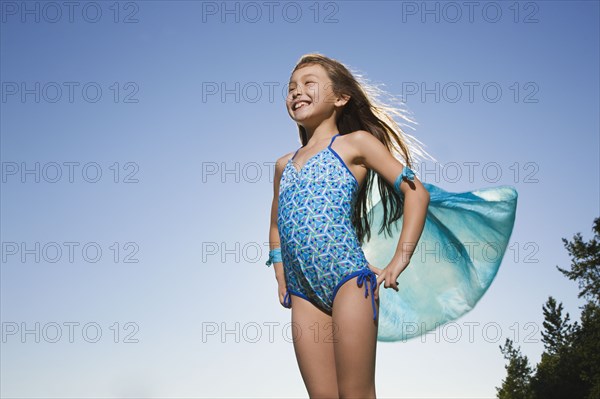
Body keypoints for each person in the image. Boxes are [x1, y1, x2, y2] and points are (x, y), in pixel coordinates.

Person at [266, 53, 518, 398]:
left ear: (341, 98)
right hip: (301, 291)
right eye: (291, 87)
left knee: (356, 393)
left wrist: (400, 258)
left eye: (309, 83)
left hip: (348, 280)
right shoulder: (283, 165)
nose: (297, 92)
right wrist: (281, 276)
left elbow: (416, 192)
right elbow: (276, 226)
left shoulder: (355, 144)